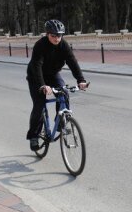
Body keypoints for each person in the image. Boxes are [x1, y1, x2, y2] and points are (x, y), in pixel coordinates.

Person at [26, 20, 88, 151]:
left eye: (59, 35)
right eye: (53, 35)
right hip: (36, 77)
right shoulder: (40, 45)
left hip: (52, 74)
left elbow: (72, 61)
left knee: (64, 93)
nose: (56, 38)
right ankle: (34, 136)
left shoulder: (63, 45)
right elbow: (36, 66)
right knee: (39, 104)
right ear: (47, 34)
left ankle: (60, 122)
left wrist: (80, 80)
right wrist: (42, 85)